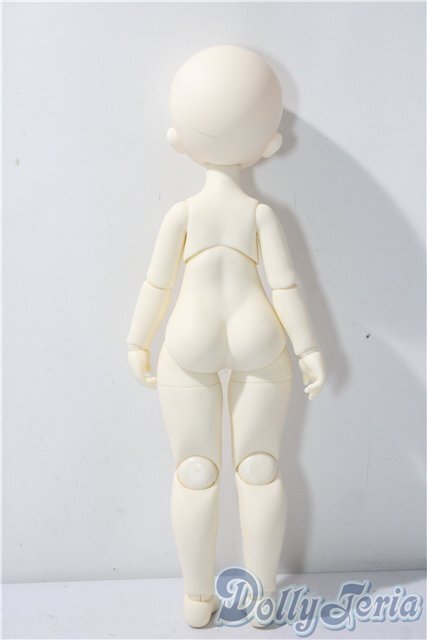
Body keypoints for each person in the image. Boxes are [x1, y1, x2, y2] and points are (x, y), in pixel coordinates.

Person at [127, 45, 326, 628]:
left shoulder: (182, 215)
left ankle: (198, 598)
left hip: (189, 338)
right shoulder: (260, 214)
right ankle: (263, 598)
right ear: (271, 144)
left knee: (195, 470)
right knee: (260, 467)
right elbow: (285, 288)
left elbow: (157, 284)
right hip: (258, 334)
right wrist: (309, 349)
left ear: (177, 139)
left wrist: (138, 340)